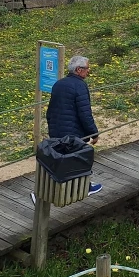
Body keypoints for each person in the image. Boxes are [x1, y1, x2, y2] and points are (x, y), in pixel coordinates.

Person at [45, 55, 102, 196]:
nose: (88, 71)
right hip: (73, 132)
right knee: (79, 160)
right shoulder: (80, 86)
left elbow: (50, 110)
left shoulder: (59, 84)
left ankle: (54, 189)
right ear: (79, 69)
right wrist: (94, 133)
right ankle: (84, 188)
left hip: (57, 129)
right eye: (87, 68)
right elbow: (85, 113)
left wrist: (52, 127)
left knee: (60, 160)